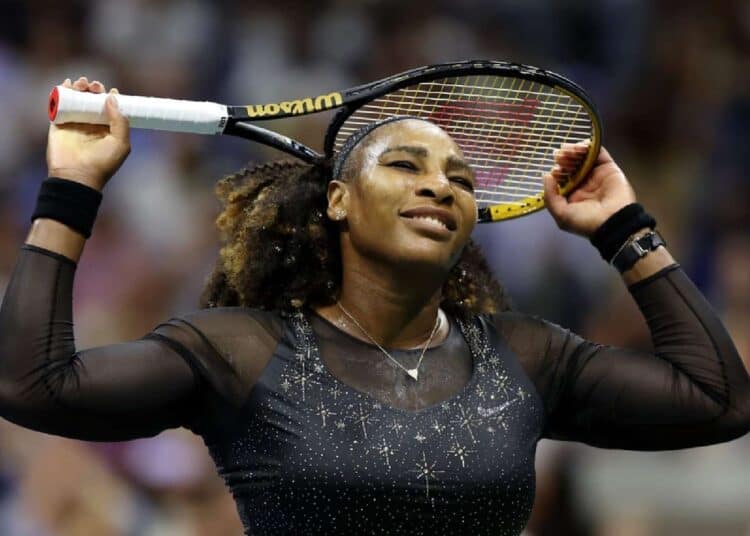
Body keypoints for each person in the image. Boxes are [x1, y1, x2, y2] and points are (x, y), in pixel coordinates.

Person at [0, 76, 748, 536]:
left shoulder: (526, 355)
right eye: (404, 164)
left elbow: (719, 400)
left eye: (460, 178)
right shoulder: (241, 351)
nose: (439, 185)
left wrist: (624, 229)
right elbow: (31, 385)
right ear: (338, 201)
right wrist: (71, 189)